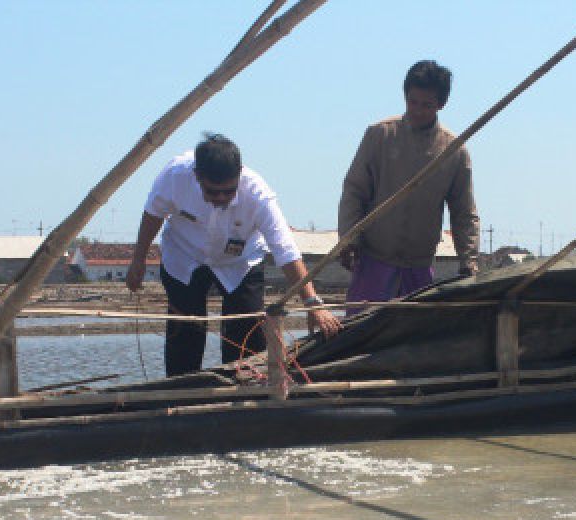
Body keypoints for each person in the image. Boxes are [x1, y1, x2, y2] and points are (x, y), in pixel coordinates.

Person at [127, 134, 340, 376]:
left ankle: (242, 392)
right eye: (212, 192)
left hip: (241, 261)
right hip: (184, 255)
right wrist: (138, 259)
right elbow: (153, 214)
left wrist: (313, 303)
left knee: (247, 331)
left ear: (239, 174)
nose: (220, 198)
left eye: (228, 192)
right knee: (186, 331)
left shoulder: (258, 193)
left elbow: (285, 249)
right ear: (197, 176)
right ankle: (182, 395)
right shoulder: (174, 176)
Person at [338, 60, 480, 312]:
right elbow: (354, 190)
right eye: (413, 102)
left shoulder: (454, 151)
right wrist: (349, 238)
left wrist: (468, 261)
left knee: (411, 337)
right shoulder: (379, 135)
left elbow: (464, 212)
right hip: (373, 261)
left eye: (426, 105)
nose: (418, 110)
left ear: (441, 104)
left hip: (418, 266)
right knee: (357, 334)